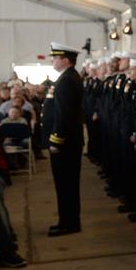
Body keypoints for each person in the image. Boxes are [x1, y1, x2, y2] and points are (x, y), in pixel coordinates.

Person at [42, 42, 85, 237]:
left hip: (65, 144)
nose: (52, 60)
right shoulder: (67, 78)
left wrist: (56, 140)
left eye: (55, 57)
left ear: (65, 60)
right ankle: (67, 221)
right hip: (68, 142)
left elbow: (64, 115)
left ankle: (68, 223)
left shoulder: (67, 80)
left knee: (66, 184)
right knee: (66, 184)